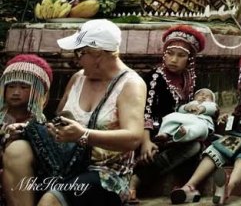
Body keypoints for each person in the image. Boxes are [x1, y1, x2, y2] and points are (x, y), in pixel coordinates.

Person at [3, 19, 146, 206]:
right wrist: (29, 129)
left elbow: (133, 138)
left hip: (105, 172)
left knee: (50, 200)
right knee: (16, 150)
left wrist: (84, 135)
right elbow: (58, 123)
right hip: (65, 162)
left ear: (98, 54)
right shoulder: (78, 78)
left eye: (79, 53)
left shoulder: (130, 85)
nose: (76, 60)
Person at [171, 51, 241, 205]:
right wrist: (227, 120)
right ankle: (189, 187)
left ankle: (226, 189)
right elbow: (236, 121)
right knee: (214, 150)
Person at [129, 24, 207, 203]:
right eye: (170, 53)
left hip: (178, 133)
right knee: (191, 148)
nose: (173, 59)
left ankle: (183, 187)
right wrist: (146, 141)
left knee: (199, 144)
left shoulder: (190, 80)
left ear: (190, 59)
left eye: (181, 55)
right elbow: (145, 111)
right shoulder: (154, 78)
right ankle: (136, 180)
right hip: (151, 134)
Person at [1, 55, 53, 160]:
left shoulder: (39, 123)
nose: (16, 92)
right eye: (11, 86)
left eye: (24, 87)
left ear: (38, 92)